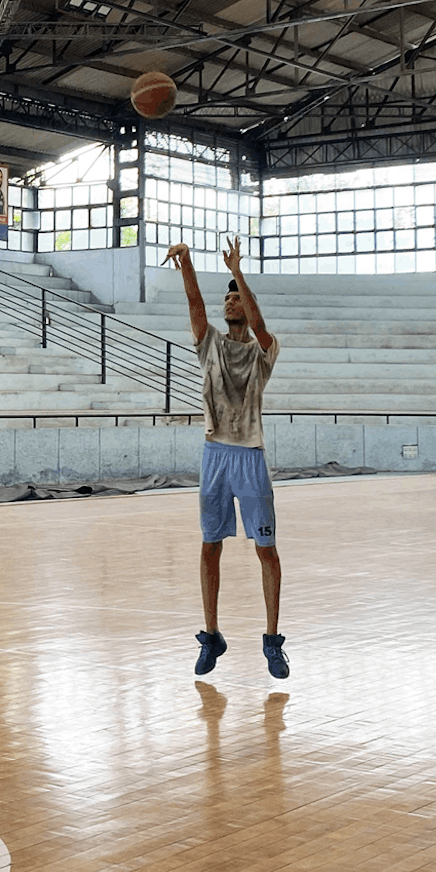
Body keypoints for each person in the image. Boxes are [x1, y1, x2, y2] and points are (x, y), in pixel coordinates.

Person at [163, 235, 286, 680]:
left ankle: (272, 640)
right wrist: (188, 262)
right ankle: (211, 634)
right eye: (229, 297)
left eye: (238, 297)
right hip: (215, 454)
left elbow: (260, 323)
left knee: (266, 549)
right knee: (209, 546)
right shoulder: (209, 344)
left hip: (250, 456)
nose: (232, 302)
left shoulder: (264, 351)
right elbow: (195, 303)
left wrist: (239, 272)